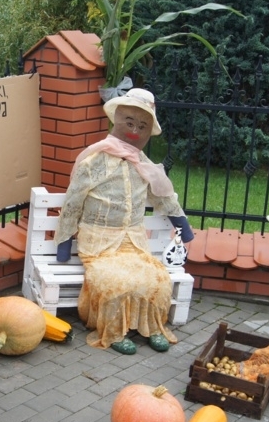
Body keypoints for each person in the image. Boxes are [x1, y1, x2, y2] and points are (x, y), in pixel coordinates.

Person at [55, 88, 193, 355]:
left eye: (142, 126)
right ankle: (115, 331)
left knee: (156, 277)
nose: (135, 130)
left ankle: (152, 328)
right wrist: (63, 243)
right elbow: (72, 204)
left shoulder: (144, 165)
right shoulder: (94, 161)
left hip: (134, 244)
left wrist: (183, 226)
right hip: (99, 245)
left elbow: (164, 196)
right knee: (112, 281)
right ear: (117, 119)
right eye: (129, 123)